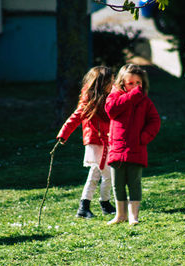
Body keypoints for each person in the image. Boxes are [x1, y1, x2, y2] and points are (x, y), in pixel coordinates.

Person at [56, 66, 116, 218]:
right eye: (111, 81)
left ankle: (85, 207)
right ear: (101, 84)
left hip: (106, 141)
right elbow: (75, 117)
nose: (114, 83)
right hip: (96, 142)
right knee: (107, 174)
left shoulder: (110, 98)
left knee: (96, 173)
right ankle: (104, 203)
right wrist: (63, 134)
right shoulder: (89, 103)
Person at [105, 64, 161, 225]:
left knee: (134, 183)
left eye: (139, 83)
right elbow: (111, 110)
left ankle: (133, 216)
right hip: (117, 148)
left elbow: (155, 121)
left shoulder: (145, 102)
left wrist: (143, 138)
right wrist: (132, 96)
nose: (135, 87)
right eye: (131, 83)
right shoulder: (114, 97)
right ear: (122, 83)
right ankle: (120, 215)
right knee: (117, 184)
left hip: (136, 148)